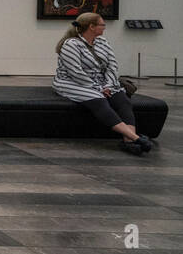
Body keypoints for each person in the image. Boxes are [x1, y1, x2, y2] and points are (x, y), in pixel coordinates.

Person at [53, 12, 152, 155]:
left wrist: (108, 85)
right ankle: (136, 138)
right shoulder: (71, 44)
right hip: (72, 82)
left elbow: (112, 66)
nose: (104, 27)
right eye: (102, 25)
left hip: (101, 82)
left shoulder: (102, 42)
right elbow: (76, 72)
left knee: (122, 99)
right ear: (91, 27)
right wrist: (99, 88)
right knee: (98, 100)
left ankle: (128, 141)